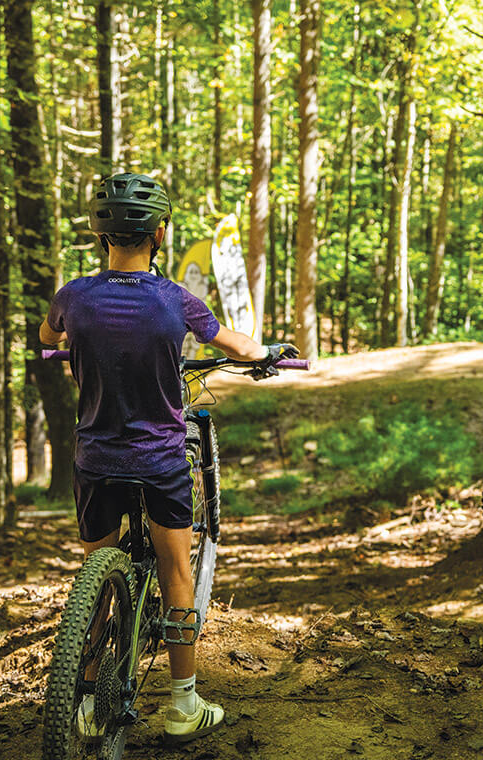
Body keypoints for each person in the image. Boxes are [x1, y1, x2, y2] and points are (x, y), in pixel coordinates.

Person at [40, 173, 297, 746]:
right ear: (159, 233)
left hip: (95, 460)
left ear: (98, 234)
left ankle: (82, 702)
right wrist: (268, 355)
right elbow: (233, 344)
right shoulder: (175, 300)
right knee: (175, 570)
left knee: (96, 574)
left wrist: (70, 337)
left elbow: (47, 333)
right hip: (159, 461)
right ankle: (183, 703)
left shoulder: (73, 296)